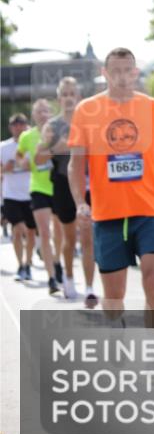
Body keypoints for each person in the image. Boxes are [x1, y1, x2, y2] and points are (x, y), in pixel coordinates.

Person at [68, 47, 154, 328]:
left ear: (135, 72)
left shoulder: (152, 107)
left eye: (127, 70)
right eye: (115, 70)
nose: (121, 76)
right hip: (107, 214)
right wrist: (80, 202)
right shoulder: (87, 110)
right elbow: (75, 164)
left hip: (150, 209)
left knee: (153, 281)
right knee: (114, 297)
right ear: (104, 73)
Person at [36, 77, 97, 303]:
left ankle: (90, 287)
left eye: (73, 93)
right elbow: (38, 157)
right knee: (69, 238)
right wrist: (55, 148)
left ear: (78, 96)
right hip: (62, 185)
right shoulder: (52, 126)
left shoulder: (89, 122)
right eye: (65, 94)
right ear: (59, 98)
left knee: (88, 237)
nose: (70, 98)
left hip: (88, 184)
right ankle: (69, 278)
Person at [17, 98, 60, 294]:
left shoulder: (59, 132)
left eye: (45, 111)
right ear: (33, 115)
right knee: (44, 231)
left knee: (59, 232)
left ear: (51, 113)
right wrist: (23, 163)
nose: (42, 114)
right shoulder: (27, 136)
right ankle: (51, 277)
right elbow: (19, 155)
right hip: (38, 188)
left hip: (59, 187)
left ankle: (58, 261)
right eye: (39, 111)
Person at [2, 113, 37, 282]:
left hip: (30, 194)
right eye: (15, 124)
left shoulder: (33, 143)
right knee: (18, 230)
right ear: (10, 128)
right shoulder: (3, 147)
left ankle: (28, 263)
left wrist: (32, 166)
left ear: (26, 125)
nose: (18, 126)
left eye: (21, 123)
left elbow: (44, 165)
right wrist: (5, 169)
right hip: (11, 195)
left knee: (30, 232)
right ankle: (20, 265)